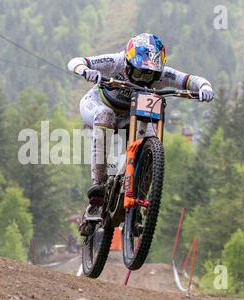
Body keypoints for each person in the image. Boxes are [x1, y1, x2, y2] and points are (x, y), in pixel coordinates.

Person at [67, 33, 214, 221]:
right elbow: (76, 61)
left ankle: (138, 202)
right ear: (128, 63)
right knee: (106, 116)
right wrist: (85, 70)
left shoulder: (162, 73)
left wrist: (205, 87)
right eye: (138, 73)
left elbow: (191, 79)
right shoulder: (116, 61)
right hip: (98, 105)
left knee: (152, 141)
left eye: (149, 75)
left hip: (131, 115)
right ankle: (98, 189)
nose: (143, 80)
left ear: (157, 70)